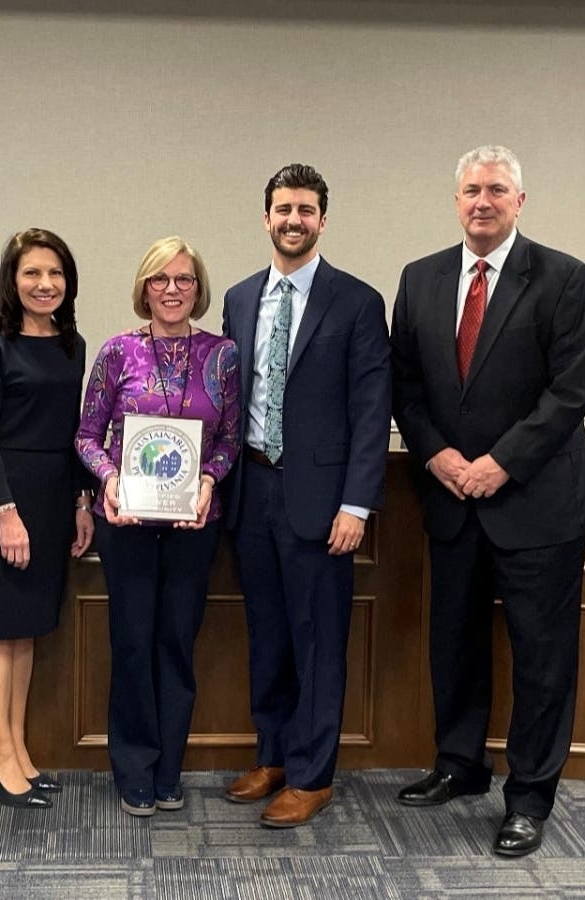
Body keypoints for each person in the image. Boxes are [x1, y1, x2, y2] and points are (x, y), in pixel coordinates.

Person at [389, 145, 585, 857]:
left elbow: (574, 387)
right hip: (451, 497)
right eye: (472, 189)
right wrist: (440, 455)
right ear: (456, 200)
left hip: (536, 503)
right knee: (453, 642)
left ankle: (530, 797)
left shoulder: (562, 277)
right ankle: (458, 764)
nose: (483, 201)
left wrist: (500, 463)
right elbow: (406, 387)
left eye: (498, 190)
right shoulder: (420, 279)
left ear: (520, 202)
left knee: (541, 658)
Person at [221, 164, 391, 828]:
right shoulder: (238, 298)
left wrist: (357, 505)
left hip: (322, 502)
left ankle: (314, 774)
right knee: (266, 634)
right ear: (265, 217)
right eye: (282, 209)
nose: (293, 219)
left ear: (323, 219)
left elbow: (372, 411)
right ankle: (276, 756)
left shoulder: (356, 302)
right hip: (252, 489)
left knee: (318, 638)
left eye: (306, 210)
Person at [75, 236, 240, 818]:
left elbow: (229, 439)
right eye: (160, 280)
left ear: (199, 289)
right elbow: (87, 435)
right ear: (144, 288)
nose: (172, 290)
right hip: (127, 522)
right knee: (132, 642)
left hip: (196, 523)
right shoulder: (117, 353)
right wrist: (108, 478)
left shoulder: (223, 356)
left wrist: (209, 480)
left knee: (176, 643)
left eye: (184, 280)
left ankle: (170, 768)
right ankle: (134, 770)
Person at [0, 228, 94, 809]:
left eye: (55, 274)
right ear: (11, 281)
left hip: (53, 492)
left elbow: (75, 433)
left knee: (28, 628)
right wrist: (5, 512)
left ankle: (15, 745)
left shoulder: (72, 344)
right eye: (32, 273)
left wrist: (81, 502)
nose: (45, 284)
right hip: (2, 495)